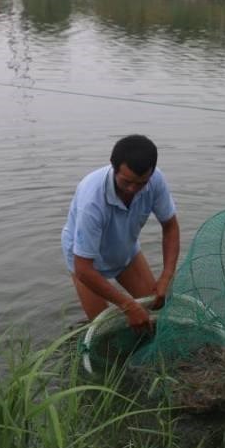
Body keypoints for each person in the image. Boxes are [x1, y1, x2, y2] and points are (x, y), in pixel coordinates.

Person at [61, 134, 180, 333]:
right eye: (126, 182)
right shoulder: (92, 201)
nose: (133, 189)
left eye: (141, 183)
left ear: (150, 174)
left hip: (125, 251)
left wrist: (166, 277)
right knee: (104, 331)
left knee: (158, 310)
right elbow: (83, 268)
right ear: (114, 168)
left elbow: (170, 226)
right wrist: (128, 305)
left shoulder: (156, 180)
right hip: (87, 261)